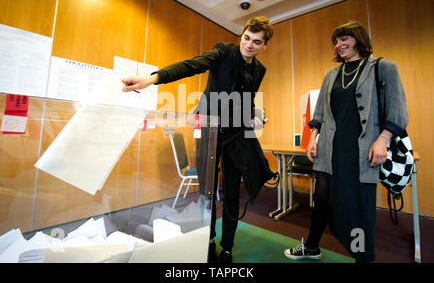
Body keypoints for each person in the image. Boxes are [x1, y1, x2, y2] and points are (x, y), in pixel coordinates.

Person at [121, 16, 275, 263]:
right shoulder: (224, 51)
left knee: (233, 191)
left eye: (256, 42)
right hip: (207, 130)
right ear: (242, 35)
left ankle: (227, 247)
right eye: (246, 37)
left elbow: (248, 100)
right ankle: (208, 240)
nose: (249, 44)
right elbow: (191, 65)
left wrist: (254, 116)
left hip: (234, 134)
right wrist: (153, 79)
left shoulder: (259, 70)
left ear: (264, 45)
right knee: (208, 190)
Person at [284, 21, 408, 263]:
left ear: (359, 38)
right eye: (336, 41)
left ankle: (362, 257)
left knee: (358, 207)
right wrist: (312, 138)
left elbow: (398, 110)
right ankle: (311, 246)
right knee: (321, 199)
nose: (339, 44)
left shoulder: (382, 68)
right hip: (330, 150)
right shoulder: (331, 75)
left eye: (344, 38)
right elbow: (318, 113)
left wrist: (383, 139)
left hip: (362, 152)